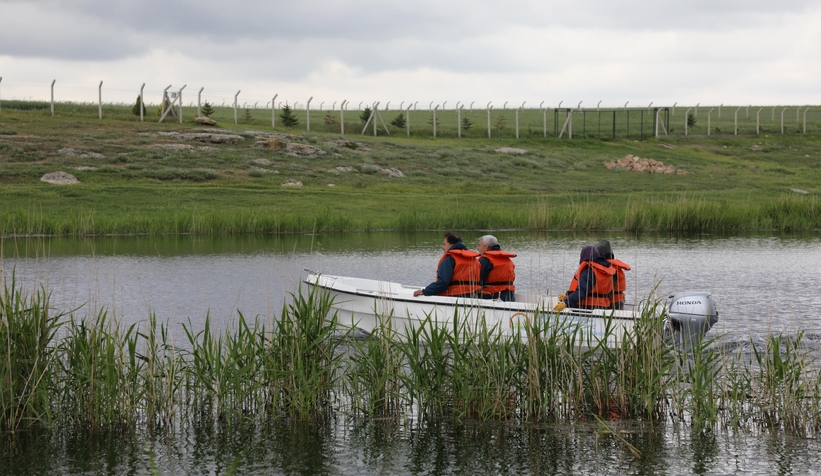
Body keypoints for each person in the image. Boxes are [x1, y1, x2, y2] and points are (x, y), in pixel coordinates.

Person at [414, 232, 481, 298]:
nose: (442, 247)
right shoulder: (474, 260)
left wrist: (425, 291)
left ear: (451, 245)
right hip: (473, 297)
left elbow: (442, 283)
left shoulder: (449, 259)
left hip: (454, 298)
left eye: (444, 244)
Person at [553, 245, 615, 311]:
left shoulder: (589, 272)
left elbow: (581, 293)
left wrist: (565, 302)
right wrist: (568, 296)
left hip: (588, 308)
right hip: (604, 309)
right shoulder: (605, 270)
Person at [477, 235, 516, 301]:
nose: (478, 248)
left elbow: (479, 280)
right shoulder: (507, 259)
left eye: (479, 245)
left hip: (491, 296)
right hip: (509, 295)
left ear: (486, 247)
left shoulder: (485, 260)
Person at [595, 239, 631, 310]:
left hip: (614, 302)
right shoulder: (615, 267)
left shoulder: (610, 269)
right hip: (619, 300)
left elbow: (610, 287)